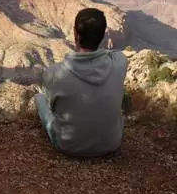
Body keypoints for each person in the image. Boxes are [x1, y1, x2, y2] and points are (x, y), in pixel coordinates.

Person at [35, 8, 128, 157]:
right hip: (111, 143)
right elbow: (114, 53)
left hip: (68, 145)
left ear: (75, 34)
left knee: (40, 98)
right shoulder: (120, 62)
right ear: (104, 35)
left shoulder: (54, 73)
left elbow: (52, 104)